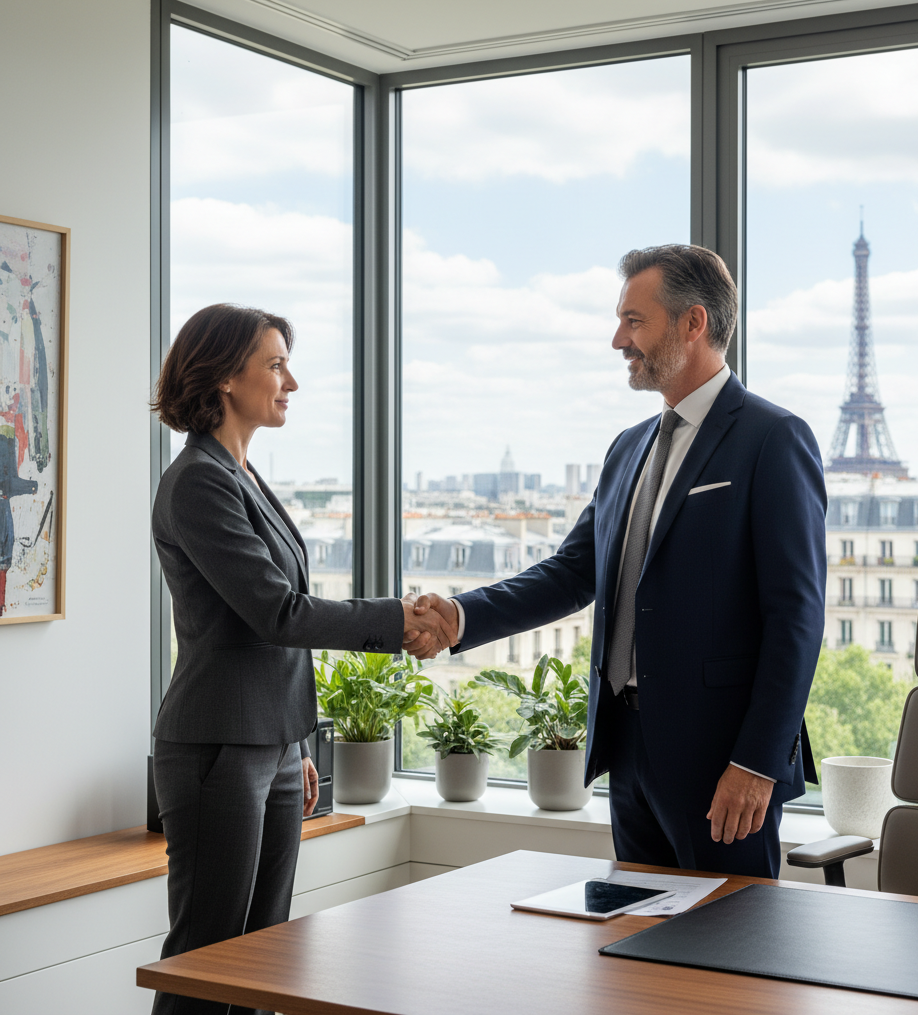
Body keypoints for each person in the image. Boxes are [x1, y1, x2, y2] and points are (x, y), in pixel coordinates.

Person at [408, 245, 825, 879]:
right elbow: (573, 572)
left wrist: (757, 763)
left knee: (731, 961)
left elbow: (796, 617)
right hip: (627, 752)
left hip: (724, 767)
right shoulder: (628, 448)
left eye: (634, 321)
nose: (617, 340)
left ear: (693, 323)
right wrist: (461, 616)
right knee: (639, 955)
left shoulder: (773, 438)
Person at [151, 303, 455, 1015]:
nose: (291, 381)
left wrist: (296, 742)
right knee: (209, 956)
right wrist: (395, 619)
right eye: (276, 364)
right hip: (219, 747)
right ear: (227, 377)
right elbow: (276, 613)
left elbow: (267, 626)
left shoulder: (242, 474)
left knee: (268, 953)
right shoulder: (198, 480)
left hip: (272, 745)